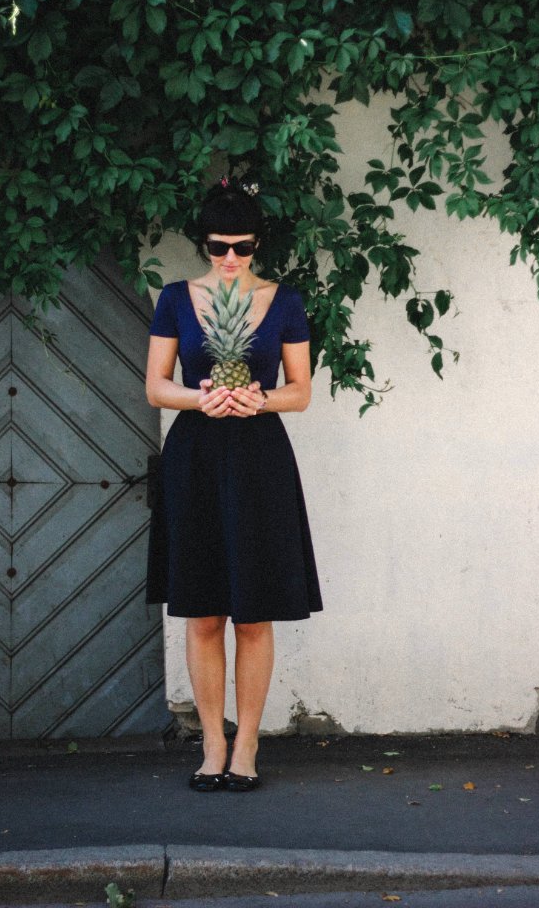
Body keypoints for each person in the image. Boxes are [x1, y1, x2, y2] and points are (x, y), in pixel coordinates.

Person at [145, 178, 322, 792]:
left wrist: (259, 398)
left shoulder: (286, 302)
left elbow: (300, 391)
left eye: (242, 247)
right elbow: (155, 386)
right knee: (200, 613)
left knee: (253, 614)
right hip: (194, 455)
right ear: (203, 243)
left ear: (256, 245)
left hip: (258, 458)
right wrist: (200, 398)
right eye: (219, 246)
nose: (229, 259)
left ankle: (247, 743)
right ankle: (211, 742)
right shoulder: (174, 299)